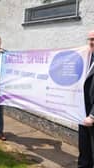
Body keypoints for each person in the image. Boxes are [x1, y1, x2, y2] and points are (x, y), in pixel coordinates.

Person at [78, 30, 94, 168]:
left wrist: (93, 115)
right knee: (84, 145)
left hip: (92, 113)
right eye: (89, 39)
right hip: (82, 109)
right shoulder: (86, 58)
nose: (91, 42)